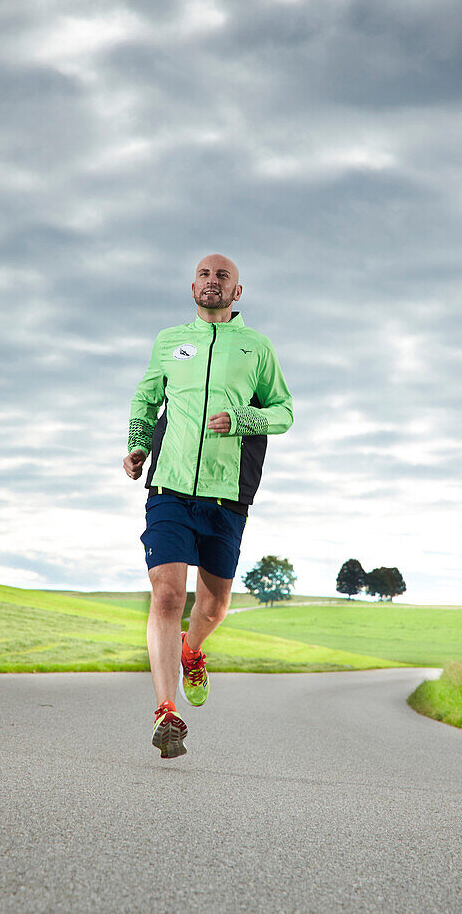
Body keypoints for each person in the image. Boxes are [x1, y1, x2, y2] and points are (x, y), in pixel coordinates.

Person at [123, 254, 294, 758]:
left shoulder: (257, 347)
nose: (212, 281)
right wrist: (137, 443)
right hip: (170, 488)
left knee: (215, 604)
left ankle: (192, 651)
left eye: (223, 276)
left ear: (237, 292)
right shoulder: (168, 342)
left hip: (227, 494)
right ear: (192, 286)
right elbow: (146, 399)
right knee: (168, 595)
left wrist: (243, 418)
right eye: (204, 274)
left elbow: (284, 411)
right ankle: (165, 712)